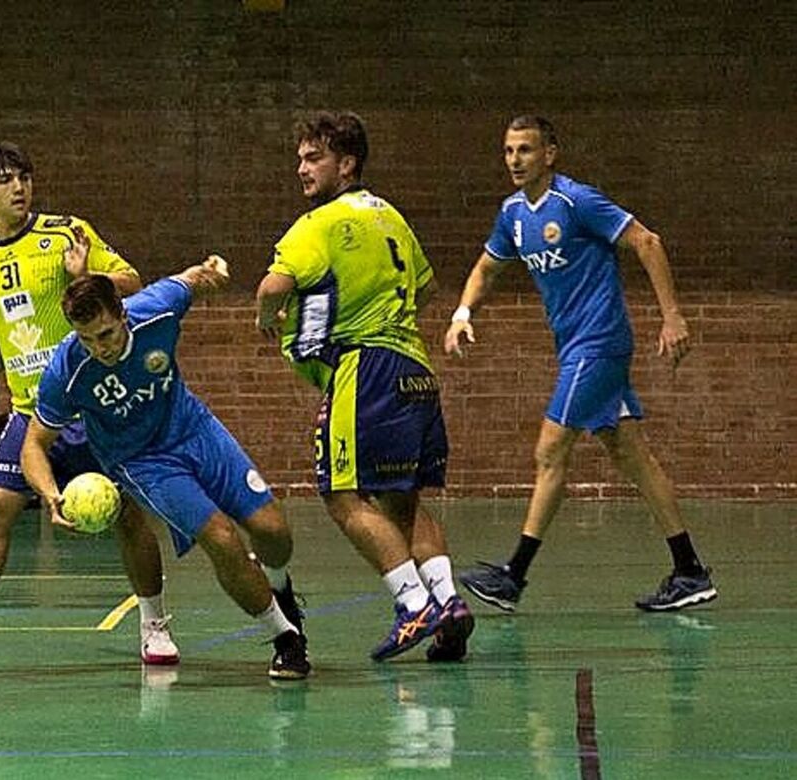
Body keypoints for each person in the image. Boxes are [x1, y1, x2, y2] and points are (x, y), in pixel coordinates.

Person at [0, 141, 177, 671]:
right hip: (32, 411)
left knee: (128, 516)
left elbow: (133, 284)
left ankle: (155, 625)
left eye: (23, 177)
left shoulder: (67, 233)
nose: (19, 187)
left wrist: (84, 276)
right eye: (5, 180)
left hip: (92, 407)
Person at [445, 115, 718, 613]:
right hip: (573, 345)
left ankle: (513, 575)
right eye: (508, 151)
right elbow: (487, 268)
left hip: (599, 344)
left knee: (551, 450)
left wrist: (673, 317)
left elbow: (647, 241)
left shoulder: (576, 202)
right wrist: (463, 313)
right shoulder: (512, 215)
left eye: (525, 150)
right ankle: (689, 571)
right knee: (631, 455)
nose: (514, 160)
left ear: (549, 154)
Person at [21, 259, 311, 681]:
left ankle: (280, 590)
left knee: (272, 531)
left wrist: (213, 271)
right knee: (222, 538)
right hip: (142, 461)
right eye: (87, 340)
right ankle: (286, 639)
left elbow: (192, 279)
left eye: (105, 334)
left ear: (122, 313)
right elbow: (34, 444)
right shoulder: (66, 372)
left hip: (195, 428)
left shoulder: (155, 307)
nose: (99, 348)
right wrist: (51, 494)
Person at [256, 111, 474, 662]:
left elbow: (273, 286)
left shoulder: (319, 224)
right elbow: (424, 289)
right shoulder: (392, 218)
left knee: (342, 496)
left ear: (346, 164)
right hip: (416, 370)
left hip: (366, 370)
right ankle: (449, 604)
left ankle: (412, 605)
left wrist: (268, 319)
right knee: (401, 499)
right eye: (300, 157)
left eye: (314, 158)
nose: (302, 169)